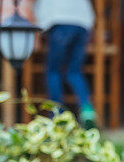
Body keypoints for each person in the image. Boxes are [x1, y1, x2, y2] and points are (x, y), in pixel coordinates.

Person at [35, 0, 98, 129]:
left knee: (53, 71)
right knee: (74, 71)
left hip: (60, 20)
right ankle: (87, 110)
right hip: (83, 23)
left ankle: (58, 115)